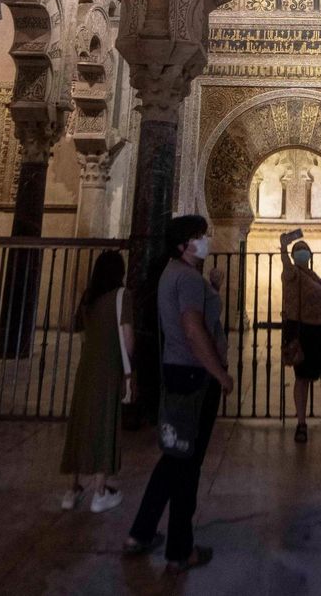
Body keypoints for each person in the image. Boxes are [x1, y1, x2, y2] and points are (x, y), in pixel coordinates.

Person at [124, 215, 232, 573]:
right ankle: (180, 551)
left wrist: (211, 288)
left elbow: (195, 315)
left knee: (173, 459)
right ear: (183, 245)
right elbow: (192, 330)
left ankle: (140, 532)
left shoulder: (176, 274)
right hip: (194, 376)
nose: (205, 240)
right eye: (199, 236)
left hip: (178, 372)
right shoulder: (186, 278)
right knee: (187, 465)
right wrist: (219, 373)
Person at [59, 250, 135, 514]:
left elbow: (78, 330)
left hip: (86, 367)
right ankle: (100, 492)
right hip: (109, 368)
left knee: (81, 423)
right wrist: (129, 368)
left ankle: (74, 489)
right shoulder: (121, 296)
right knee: (105, 424)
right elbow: (127, 338)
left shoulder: (87, 298)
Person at [279, 228, 321, 443]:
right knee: (303, 378)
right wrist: (284, 248)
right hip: (304, 330)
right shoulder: (292, 273)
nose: (302, 253)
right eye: (299, 250)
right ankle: (301, 424)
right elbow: (287, 266)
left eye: (304, 249)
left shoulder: (312, 275)